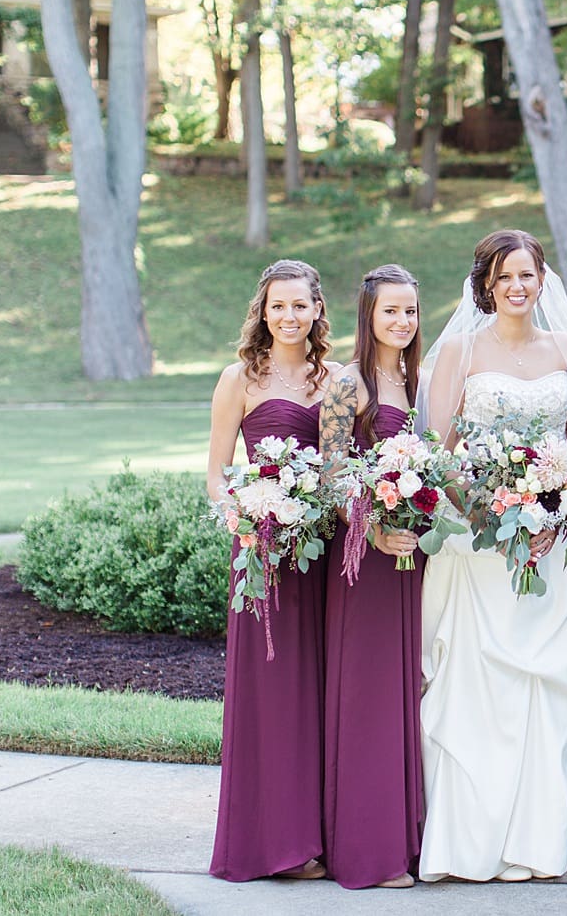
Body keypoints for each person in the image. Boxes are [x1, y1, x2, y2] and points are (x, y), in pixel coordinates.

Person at [415, 229, 567, 882]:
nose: (518, 287)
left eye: (527, 274)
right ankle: (473, 841)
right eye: (505, 278)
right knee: (482, 691)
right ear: (486, 285)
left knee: (554, 687)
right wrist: (484, 508)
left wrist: (556, 507)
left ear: (541, 279)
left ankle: (554, 835)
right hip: (478, 548)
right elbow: (438, 450)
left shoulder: (565, 347)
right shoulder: (461, 352)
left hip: (548, 548)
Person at [207, 259, 339, 882]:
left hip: (320, 554)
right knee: (271, 692)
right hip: (260, 555)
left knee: (317, 690)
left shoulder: (334, 381)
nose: (288, 316)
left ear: (317, 310)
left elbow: (346, 470)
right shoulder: (239, 379)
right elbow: (215, 475)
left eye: (299, 305)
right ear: (262, 311)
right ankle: (272, 843)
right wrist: (245, 513)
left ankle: (317, 835)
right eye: (277, 306)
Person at [316, 265, 425, 890]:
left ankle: (405, 838)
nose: (402, 322)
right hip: (364, 563)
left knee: (406, 693)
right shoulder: (346, 385)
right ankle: (367, 850)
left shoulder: (415, 379)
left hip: (411, 559)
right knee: (369, 698)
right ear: (368, 315)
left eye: (410, 311)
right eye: (391, 312)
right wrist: (375, 528)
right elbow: (332, 474)